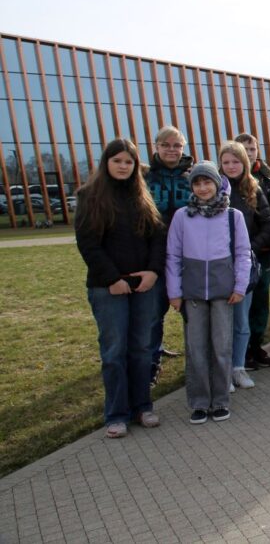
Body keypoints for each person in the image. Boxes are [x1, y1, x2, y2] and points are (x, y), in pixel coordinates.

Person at [75, 138, 166, 439]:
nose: (123, 166)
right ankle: (116, 414)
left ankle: (142, 406)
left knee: (141, 349)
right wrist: (112, 279)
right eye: (118, 161)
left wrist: (153, 272)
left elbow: (158, 237)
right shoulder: (89, 196)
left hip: (143, 286)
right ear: (107, 163)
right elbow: (88, 244)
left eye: (129, 162)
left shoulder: (143, 194)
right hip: (108, 288)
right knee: (114, 352)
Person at [165, 161, 251, 425]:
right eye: (197, 183)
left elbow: (243, 253)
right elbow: (173, 256)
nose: (203, 188)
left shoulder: (233, 216)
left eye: (207, 182)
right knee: (196, 349)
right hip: (192, 294)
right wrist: (174, 292)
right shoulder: (182, 216)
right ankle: (200, 402)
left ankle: (221, 400)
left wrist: (239, 286)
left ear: (217, 184)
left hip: (224, 293)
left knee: (221, 348)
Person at [219, 142, 270, 386]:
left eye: (236, 161)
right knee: (222, 323)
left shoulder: (253, 189)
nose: (231, 166)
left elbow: (268, 224)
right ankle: (223, 370)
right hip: (218, 266)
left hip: (244, 266)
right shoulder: (214, 187)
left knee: (242, 320)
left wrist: (249, 248)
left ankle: (239, 367)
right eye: (226, 162)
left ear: (244, 163)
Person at [145, 125, 192, 385]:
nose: (172, 150)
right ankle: (152, 362)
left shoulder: (192, 177)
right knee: (153, 313)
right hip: (155, 255)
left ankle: (196, 363)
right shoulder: (146, 178)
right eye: (166, 145)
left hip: (189, 256)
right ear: (157, 147)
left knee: (192, 312)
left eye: (177, 145)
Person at [234, 133, 270, 368]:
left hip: (261, 251)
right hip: (233, 255)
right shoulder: (223, 181)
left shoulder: (266, 179)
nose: (249, 153)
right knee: (240, 302)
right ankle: (241, 351)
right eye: (243, 149)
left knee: (261, 301)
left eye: (252, 149)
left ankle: (256, 345)